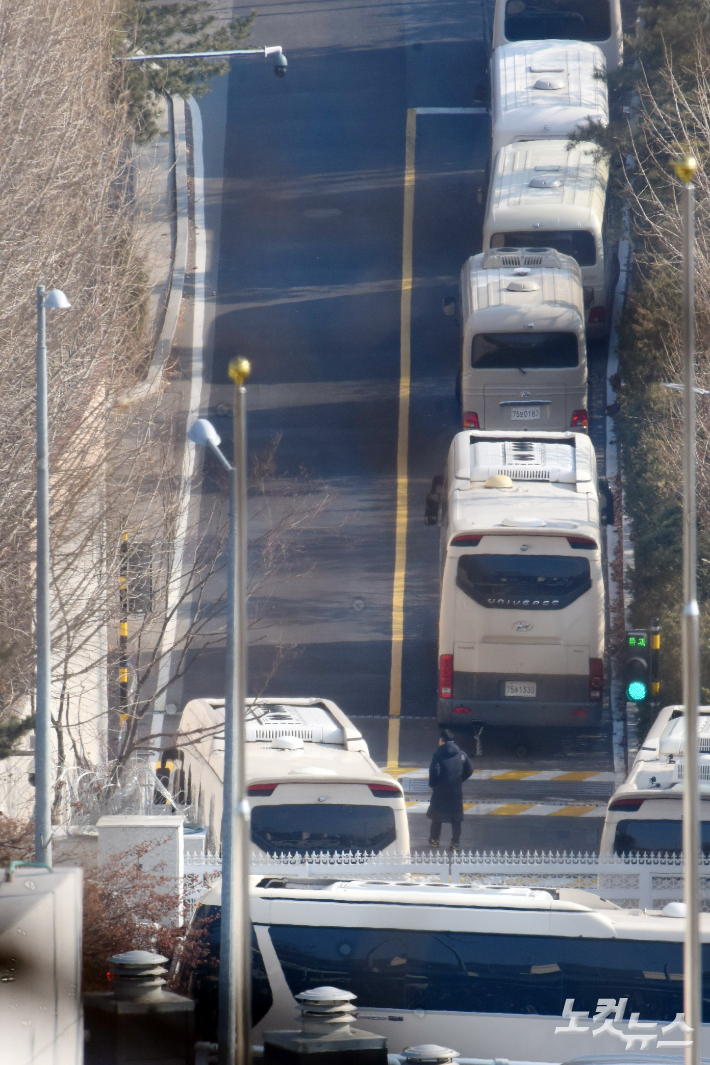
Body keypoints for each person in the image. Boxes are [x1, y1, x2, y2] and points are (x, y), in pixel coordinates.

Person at [427, 729, 473, 850]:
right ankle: (455, 843)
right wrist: (459, 780)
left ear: (442, 740)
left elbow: (434, 772)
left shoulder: (438, 755)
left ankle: (434, 841)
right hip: (455, 791)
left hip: (440, 791)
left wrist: (432, 784)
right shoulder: (461, 754)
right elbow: (469, 770)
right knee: (456, 818)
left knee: (437, 817)